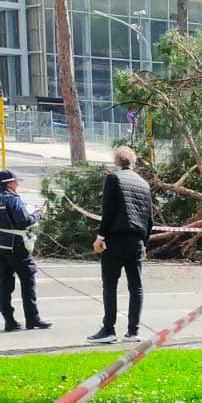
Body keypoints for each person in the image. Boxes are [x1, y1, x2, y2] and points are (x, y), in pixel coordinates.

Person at [87, 146, 153, 344]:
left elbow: (108, 211)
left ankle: (109, 329)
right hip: (137, 241)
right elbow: (149, 219)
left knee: (110, 285)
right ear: (134, 162)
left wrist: (100, 237)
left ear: (116, 161)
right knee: (136, 286)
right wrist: (144, 243)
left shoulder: (113, 178)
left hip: (115, 239)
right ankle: (133, 331)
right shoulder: (144, 184)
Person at [0, 169, 50, 332]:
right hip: (15, 245)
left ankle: (9, 321)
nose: (18, 184)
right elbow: (24, 220)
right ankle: (32, 319)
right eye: (16, 182)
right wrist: (39, 214)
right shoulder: (13, 198)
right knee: (28, 280)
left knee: (4, 284)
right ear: (10, 183)